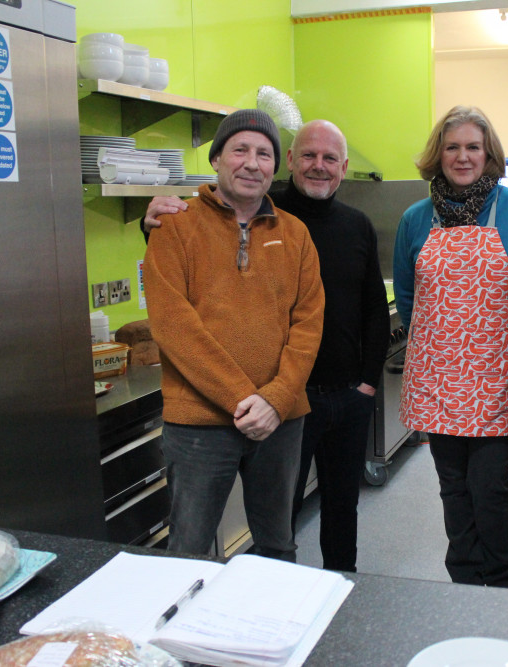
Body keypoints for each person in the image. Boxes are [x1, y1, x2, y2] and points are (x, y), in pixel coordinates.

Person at [143, 120, 390, 573]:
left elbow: (307, 323)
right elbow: (173, 324)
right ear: (216, 158)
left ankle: (274, 638)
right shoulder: (174, 227)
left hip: (282, 417)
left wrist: (276, 401)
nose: (251, 163)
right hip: (201, 422)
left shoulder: (296, 234)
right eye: (240, 151)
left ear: (275, 164)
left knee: (279, 547)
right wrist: (247, 400)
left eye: (263, 154)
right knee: (189, 551)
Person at [393, 105, 508, 588]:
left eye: (473, 147)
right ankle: (462, 582)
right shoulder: (416, 218)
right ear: (438, 154)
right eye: (452, 146)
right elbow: (408, 296)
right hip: (438, 381)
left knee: (491, 489)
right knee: (453, 490)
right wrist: (447, 343)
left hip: (498, 382)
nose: (463, 156)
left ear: (489, 154)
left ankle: (499, 585)